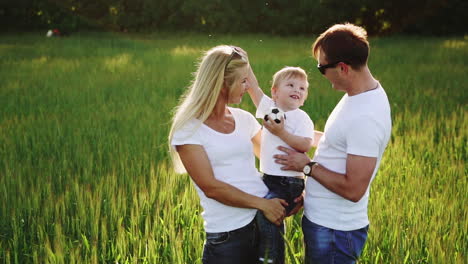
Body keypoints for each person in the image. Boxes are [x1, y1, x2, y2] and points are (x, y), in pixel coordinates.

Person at [274, 23, 392, 263]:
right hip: (325, 224)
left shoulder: (366, 116)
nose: (320, 72)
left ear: (343, 68)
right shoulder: (357, 97)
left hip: (334, 232)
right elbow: (335, 145)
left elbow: (354, 189)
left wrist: (307, 167)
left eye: (321, 67)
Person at [168, 45, 288, 264]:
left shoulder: (244, 119)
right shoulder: (188, 129)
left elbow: (275, 160)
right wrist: (262, 204)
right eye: (243, 81)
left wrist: (296, 191)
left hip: (266, 224)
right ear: (223, 83)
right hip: (228, 237)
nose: (247, 87)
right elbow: (211, 187)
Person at [247, 66, 317, 264]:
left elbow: (305, 144)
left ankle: (271, 258)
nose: (297, 90)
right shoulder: (271, 109)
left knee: (268, 213)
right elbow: (254, 89)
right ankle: (262, 253)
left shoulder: (301, 118)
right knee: (257, 212)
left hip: (288, 181)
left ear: (304, 98)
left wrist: (281, 133)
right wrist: (246, 65)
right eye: (291, 85)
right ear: (275, 92)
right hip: (268, 179)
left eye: (302, 88)